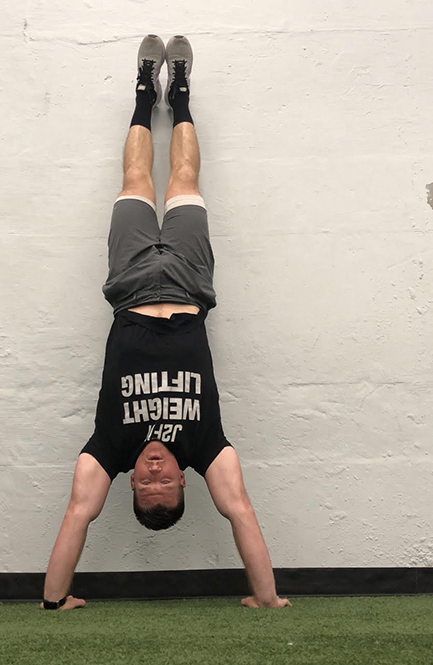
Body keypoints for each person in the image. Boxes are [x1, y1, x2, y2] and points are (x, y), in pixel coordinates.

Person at [41, 35, 291, 611]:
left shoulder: (111, 447)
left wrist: (55, 600)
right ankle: (178, 92)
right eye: (165, 482)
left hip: (129, 283)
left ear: (129, 482)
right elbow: (241, 510)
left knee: (135, 178)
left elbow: (78, 511)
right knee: (182, 180)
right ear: (184, 481)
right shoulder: (205, 445)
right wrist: (267, 598)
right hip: (187, 282)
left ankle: (141, 92)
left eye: (146, 482)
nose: (155, 472)